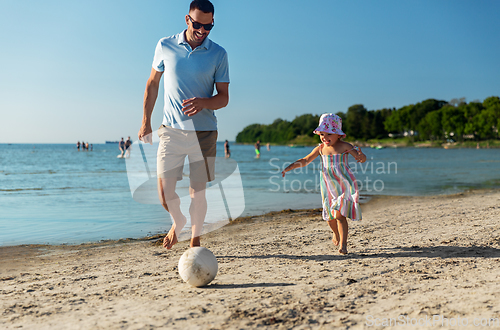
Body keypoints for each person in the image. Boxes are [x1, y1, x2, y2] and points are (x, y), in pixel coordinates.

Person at [138, 0, 229, 250]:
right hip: (171, 130)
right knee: (164, 191)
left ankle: (195, 239)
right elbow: (152, 84)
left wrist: (203, 102)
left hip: (204, 132)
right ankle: (178, 219)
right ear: (187, 20)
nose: (202, 31)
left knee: (196, 192)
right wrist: (146, 122)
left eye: (208, 26)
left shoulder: (219, 54)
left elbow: (223, 98)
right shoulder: (165, 45)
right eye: (198, 25)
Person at [281, 113, 366, 255]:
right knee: (329, 218)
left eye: (329, 134)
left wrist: (361, 157)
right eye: (322, 134)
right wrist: (290, 167)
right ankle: (335, 234)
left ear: (338, 134)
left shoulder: (345, 146)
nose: (325, 138)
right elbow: (306, 160)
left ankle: (343, 245)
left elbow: (360, 158)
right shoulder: (320, 149)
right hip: (328, 186)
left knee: (340, 216)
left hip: (343, 184)